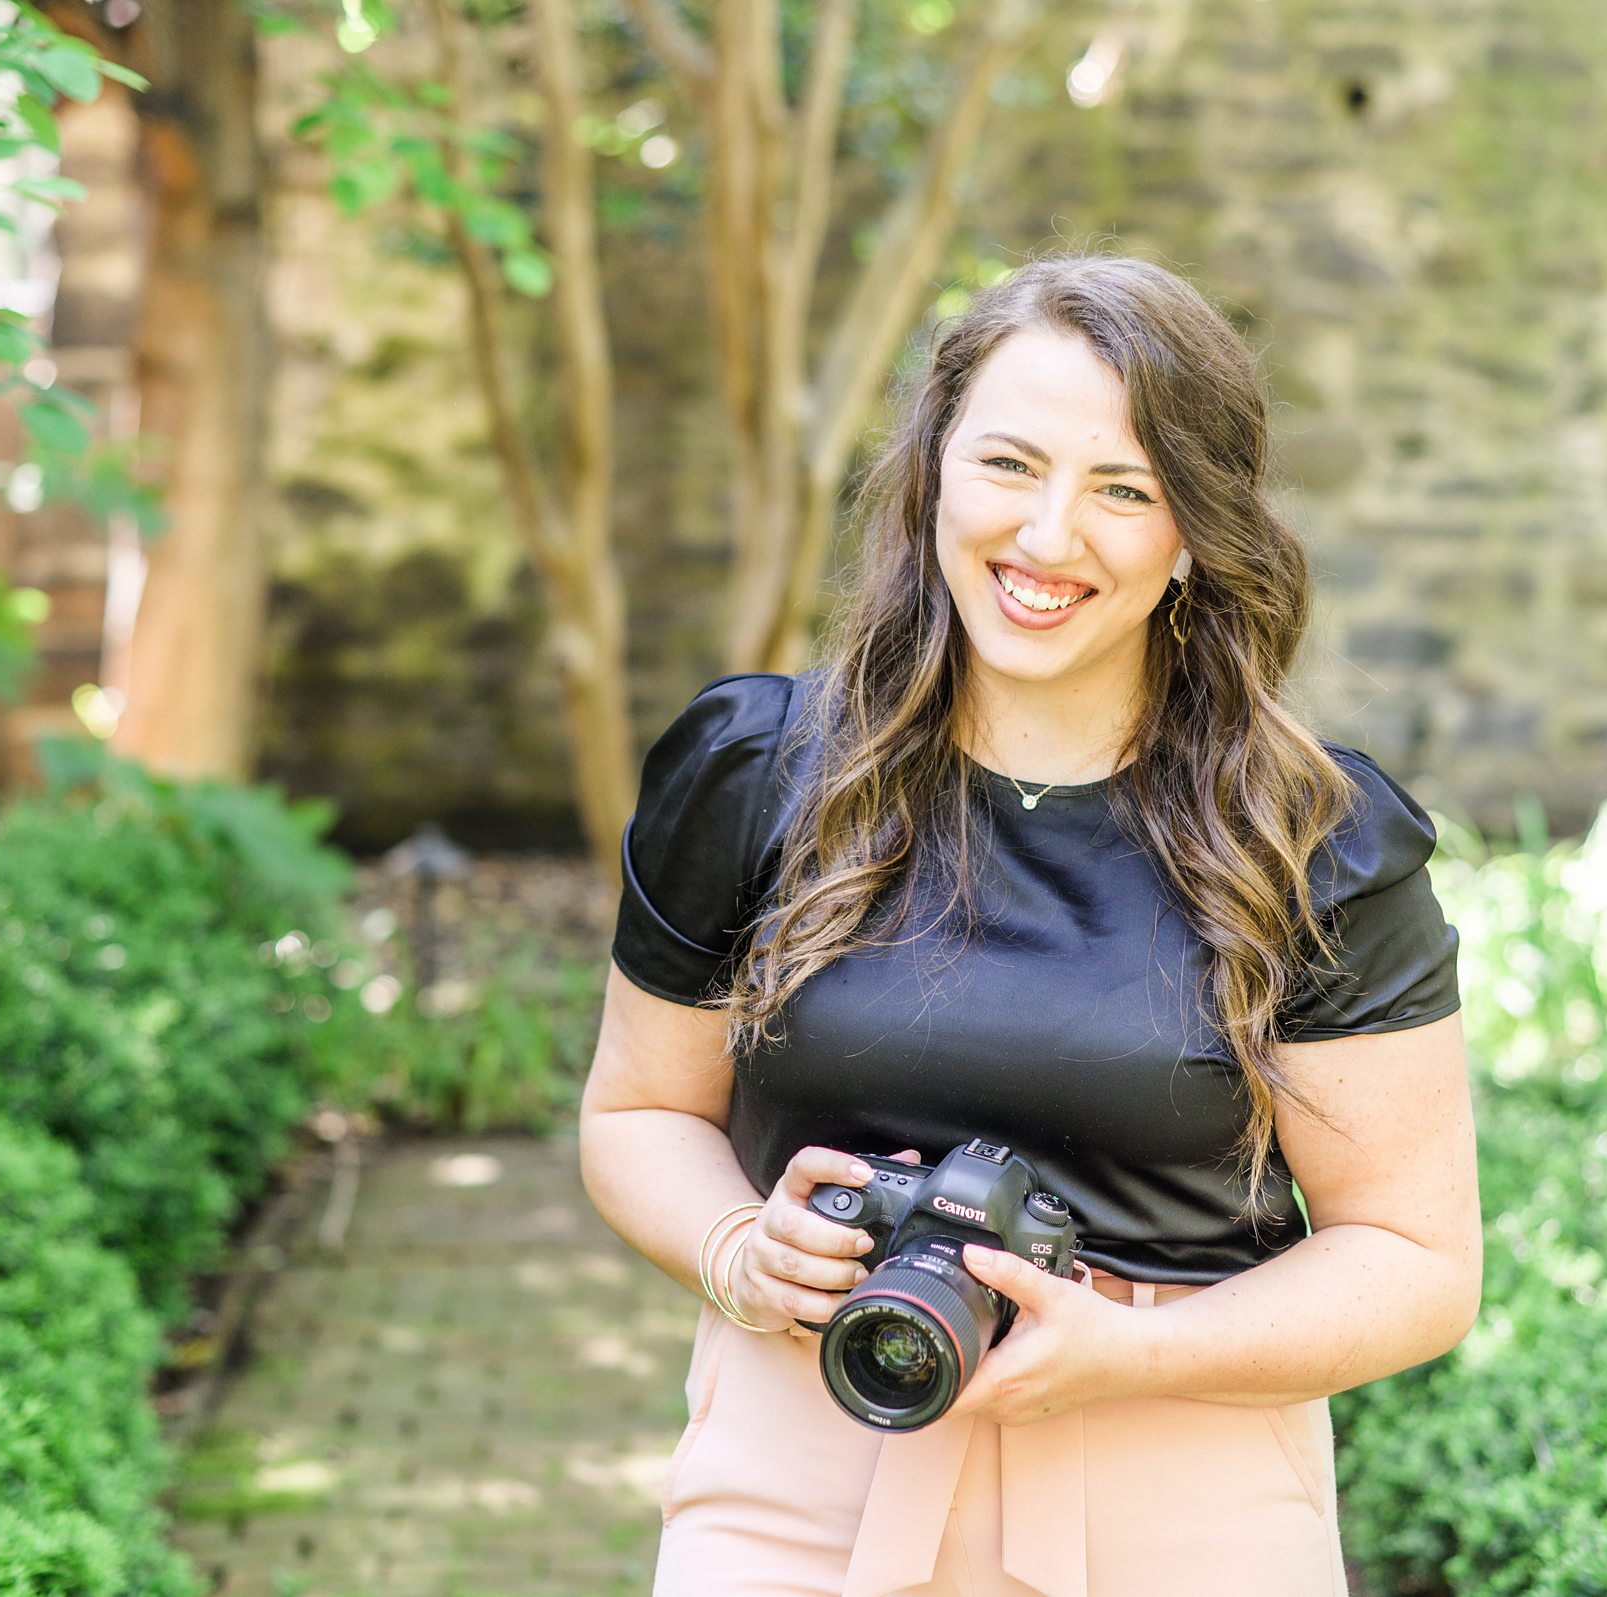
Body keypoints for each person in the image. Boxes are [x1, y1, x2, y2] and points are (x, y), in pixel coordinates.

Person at [578, 253, 1480, 1597]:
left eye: (1125, 489)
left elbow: (1415, 1258)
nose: (1051, 537)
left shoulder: (1312, 840)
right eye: (1010, 464)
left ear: (1194, 530)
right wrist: (739, 1251)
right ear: (936, 470)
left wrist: (1135, 1350)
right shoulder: (756, 768)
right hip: (803, 1459)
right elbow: (638, 1113)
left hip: (1182, 1499)